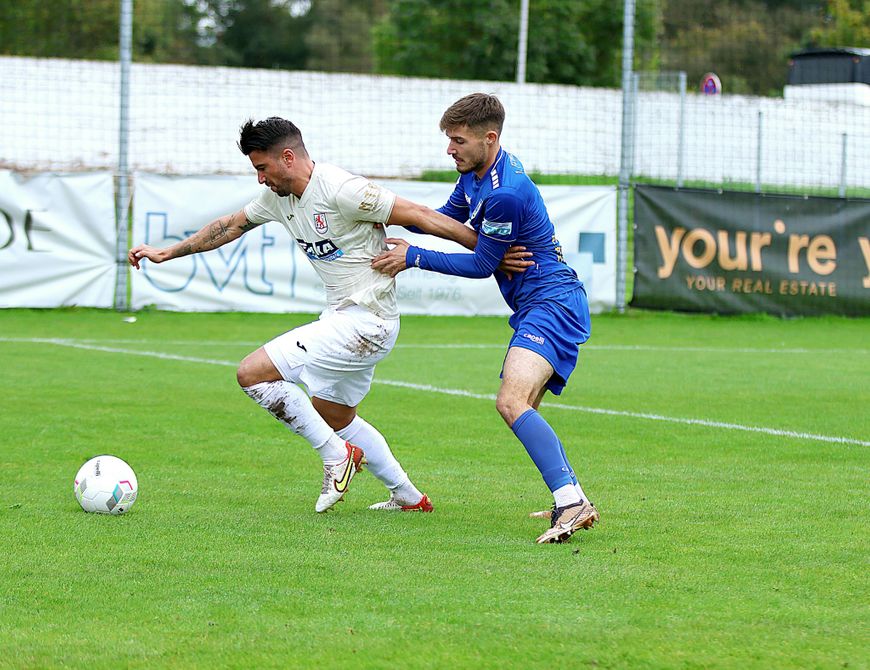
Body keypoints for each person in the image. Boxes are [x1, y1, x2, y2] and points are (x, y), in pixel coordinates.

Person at [128, 116, 490, 515]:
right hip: (347, 320)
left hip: (366, 322)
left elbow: (420, 215)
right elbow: (229, 226)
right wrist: (169, 252)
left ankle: (337, 457)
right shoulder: (277, 198)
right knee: (334, 415)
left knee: (251, 374)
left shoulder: (343, 190)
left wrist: (491, 251)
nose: (261, 180)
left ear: (287, 157)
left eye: (262, 168)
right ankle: (409, 497)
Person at [372, 93, 599, 544]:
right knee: (525, 407)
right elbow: (440, 220)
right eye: (449, 140)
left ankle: (573, 501)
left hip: (551, 303)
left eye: (457, 140)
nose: (449, 149)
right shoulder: (476, 176)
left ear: (489, 138)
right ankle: (567, 496)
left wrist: (413, 257)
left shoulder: (505, 194)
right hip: (539, 304)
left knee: (510, 403)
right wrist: (374, 203)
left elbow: (481, 263)